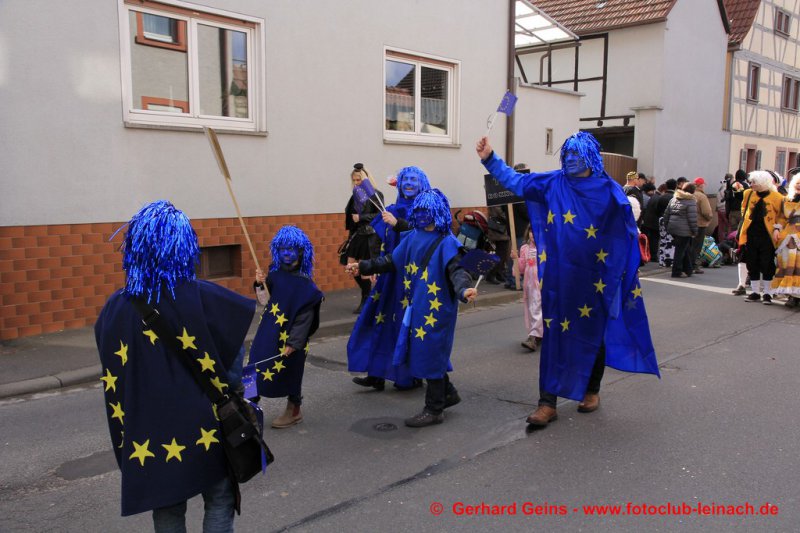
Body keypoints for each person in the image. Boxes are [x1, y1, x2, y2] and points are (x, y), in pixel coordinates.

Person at [477, 132, 659, 428]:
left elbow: (626, 232)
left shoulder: (609, 190)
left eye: (578, 154)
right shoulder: (553, 182)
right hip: (560, 278)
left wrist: (626, 268)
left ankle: (591, 390)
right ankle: (547, 403)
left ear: (591, 157)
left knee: (593, 332)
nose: (572, 159)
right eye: (568, 154)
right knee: (555, 336)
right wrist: (490, 159)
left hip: (597, 279)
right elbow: (517, 182)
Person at [95, 200, 256, 529]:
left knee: (167, 510)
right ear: (184, 245)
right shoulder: (207, 297)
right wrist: (240, 394)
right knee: (220, 499)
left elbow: (115, 374)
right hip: (208, 424)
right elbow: (234, 369)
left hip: (150, 432)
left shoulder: (114, 309)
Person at [346, 189, 477, 427]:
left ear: (437, 212)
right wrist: (363, 266)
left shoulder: (448, 242)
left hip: (437, 311)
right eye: (419, 210)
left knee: (431, 351)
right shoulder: (413, 237)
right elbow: (390, 261)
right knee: (424, 351)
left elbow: (458, 271)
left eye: (426, 210)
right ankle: (448, 393)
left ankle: (434, 409)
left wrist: (464, 290)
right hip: (416, 305)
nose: (422, 214)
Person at [347, 166, 431, 391]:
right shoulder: (390, 209)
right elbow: (380, 241)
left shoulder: (426, 210)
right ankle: (376, 373)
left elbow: (424, 237)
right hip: (388, 274)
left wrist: (398, 224)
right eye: (405, 180)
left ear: (422, 184)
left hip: (412, 279)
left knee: (407, 324)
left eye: (413, 179)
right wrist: (374, 266)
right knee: (379, 321)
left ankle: (409, 375)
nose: (409, 183)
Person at [248, 226, 324, 428]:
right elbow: (265, 301)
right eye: (282, 249)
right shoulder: (274, 274)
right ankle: (249, 406)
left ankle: (294, 410)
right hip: (268, 331)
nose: (286, 254)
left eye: (291, 249)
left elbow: (305, 318)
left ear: (301, 251)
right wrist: (259, 284)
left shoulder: (306, 286)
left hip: (291, 337)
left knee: (292, 371)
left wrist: (294, 343)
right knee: (253, 364)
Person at [739, 171, 786, 304]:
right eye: (751, 182)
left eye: (754, 182)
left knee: (767, 263)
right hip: (751, 233)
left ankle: (767, 293)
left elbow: (782, 216)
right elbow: (744, 208)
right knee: (752, 262)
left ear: (763, 183)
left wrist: (777, 228)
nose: (751, 184)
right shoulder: (748, 193)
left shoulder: (777, 197)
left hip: (768, 235)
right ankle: (755, 292)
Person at [345, 163, 384, 313]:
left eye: (359, 179)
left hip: (370, 235)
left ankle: (366, 298)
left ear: (366, 179)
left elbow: (380, 214)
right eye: (354, 180)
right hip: (357, 235)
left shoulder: (375, 194)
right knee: (350, 267)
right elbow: (350, 217)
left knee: (365, 269)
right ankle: (367, 295)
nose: (356, 183)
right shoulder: (355, 195)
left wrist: (361, 217)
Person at [512, 225, 543, 351]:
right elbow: (521, 268)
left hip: (540, 283)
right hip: (529, 284)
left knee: (537, 307)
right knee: (531, 309)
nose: (533, 234)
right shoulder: (524, 248)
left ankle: (533, 337)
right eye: (531, 231)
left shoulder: (544, 248)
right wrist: (516, 259)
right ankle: (537, 335)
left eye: (536, 231)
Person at [772, 173, 800, 307]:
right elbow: (781, 218)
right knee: (787, 264)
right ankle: (791, 295)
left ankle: (796, 296)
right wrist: (777, 229)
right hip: (788, 236)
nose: (799, 185)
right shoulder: (787, 200)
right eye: (797, 183)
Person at [663, 183, 698, 278]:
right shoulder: (691, 201)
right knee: (680, 250)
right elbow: (692, 219)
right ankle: (676, 271)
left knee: (684, 249)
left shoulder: (674, 199)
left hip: (673, 228)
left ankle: (688, 269)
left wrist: (667, 226)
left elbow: (666, 214)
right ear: (693, 191)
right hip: (684, 230)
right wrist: (694, 231)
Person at [691, 177, 713, 273]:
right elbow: (706, 212)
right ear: (700, 185)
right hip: (700, 224)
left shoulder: (690, 194)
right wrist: (710, 218)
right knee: (697, 246)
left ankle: (688, 265)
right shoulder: (702, 196)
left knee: (690, 245)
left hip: (690, 223)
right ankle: (694, 265)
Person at [654, 179, 678, 267]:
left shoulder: (661, 197)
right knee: (671, 240)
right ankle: (670, 261)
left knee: (663, 240)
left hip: (661, 219)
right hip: (671, 220)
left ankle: (662, 261)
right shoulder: (675, 198)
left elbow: (657, 210)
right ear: (675, 186)